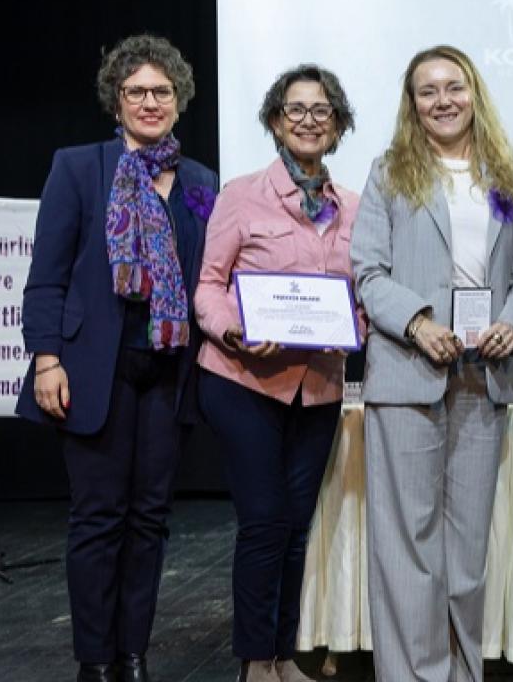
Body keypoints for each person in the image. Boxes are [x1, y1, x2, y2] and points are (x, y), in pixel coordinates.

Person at [16, 34, 217, 682]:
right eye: (137, 91)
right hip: (89, 371)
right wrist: (47, 360)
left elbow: (210, 274)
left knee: (150, 518)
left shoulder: (198, 183)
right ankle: (95, 661)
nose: (150, 101)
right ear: (116, 98)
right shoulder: (79, 168)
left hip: (166, 371)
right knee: (98, 518)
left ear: (178, 99)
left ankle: (133, 654)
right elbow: (46, 276)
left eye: (161, 91)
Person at [349, 44, 513, 682]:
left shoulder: (506, 175)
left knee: (467, 551)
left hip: (481, 379)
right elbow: (367, 272)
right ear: (412, 104)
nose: (442, 101)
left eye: (453, 87)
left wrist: (512, 324)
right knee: (409, 548)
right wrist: (418, 323)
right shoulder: (389, 172)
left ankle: (462, 672)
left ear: (473, 92)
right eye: (427, 91)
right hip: (409, 372)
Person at [194, 65, 361, 682]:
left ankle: (284, 653)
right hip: (242, 381)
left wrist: (353, 331)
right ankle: (253, 662)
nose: (309, 120)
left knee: (295, 525)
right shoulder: (240, 194)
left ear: (338, 125)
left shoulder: (357, 209)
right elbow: (209, 286)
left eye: (323, 111)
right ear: (273, 121)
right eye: (296, 109)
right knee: (263, 520)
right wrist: (238, 330)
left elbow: (361, 304)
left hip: (315, 388)